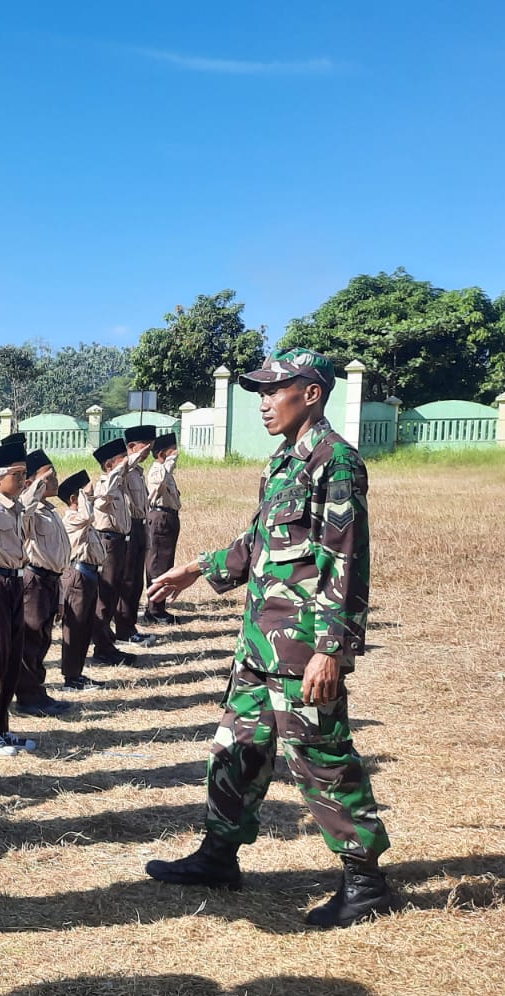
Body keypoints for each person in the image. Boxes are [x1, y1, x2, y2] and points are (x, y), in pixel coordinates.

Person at [144, 350, 394, 927]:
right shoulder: (285, 460)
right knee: (238, 748)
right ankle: (218, 856)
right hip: (260, 644)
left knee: (320, 759)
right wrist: (199, 569)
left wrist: (333, 649)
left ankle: (365, 879)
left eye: (273, 392)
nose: (262, 403)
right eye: (258, 393)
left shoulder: (337, 462)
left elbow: (347, 560)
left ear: (310, 394)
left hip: (303, 647)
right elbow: (261, 537)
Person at [0, 438, 38, 754]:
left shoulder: (16, 506)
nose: (24, 480)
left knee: (13, 658)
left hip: (16, 581)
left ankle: (2, 725)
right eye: (17, 474)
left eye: (25, 473)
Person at [15, 449, 72, 716]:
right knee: (30, 640)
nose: (55, 480)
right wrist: (34, 489)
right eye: (48, 476)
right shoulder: (29, 509)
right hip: (34, 580)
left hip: (51, 580)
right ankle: (28, 697)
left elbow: (59, 557)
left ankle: (38, 692)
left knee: (42, 640)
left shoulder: (49, 510)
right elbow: (21, 519)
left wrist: (60, 595)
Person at [57, 470, 107, 693]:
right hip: (77, 576)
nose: (93, 494)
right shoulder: (73, 518)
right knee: (75, 628)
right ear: (74, 499)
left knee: (85, 627)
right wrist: (86, 498)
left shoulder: (84, 519)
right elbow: (87, 515)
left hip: (89, 575)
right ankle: (70, 676)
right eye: (87, 492)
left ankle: (77, 672)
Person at [89, 437, 136, 668]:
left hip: (119, 543)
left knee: (114, 594)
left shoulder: (118, 485)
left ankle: (107, 643)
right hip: (107, 544)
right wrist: (117, 470)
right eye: (121, 461)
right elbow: (104, 494)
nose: (126, 464)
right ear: (109, 466)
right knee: (104, 600)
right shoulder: (104, 485)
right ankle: (102, 647)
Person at [117, 424, 158, 646]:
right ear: (132, 446)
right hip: (128, 528)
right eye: (146, 448)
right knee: (127, 580)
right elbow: (119, 470)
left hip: (140, 526)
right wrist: (133, 456)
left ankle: (130, 625)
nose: (148, 453)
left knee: (136, 583)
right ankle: (123, 629)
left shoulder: (139, 472)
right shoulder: (122, 470)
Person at [142, 432, 182, 624]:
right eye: (173, 451)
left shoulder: (165, 470)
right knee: (157, 564)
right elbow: (159, 484)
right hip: (160, 517)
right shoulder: (157, 469)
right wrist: (169, 462)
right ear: (163, 454)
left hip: (169, 517)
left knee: (165, 563)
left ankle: (158, 606)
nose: (177, 454)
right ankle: (154, 610)